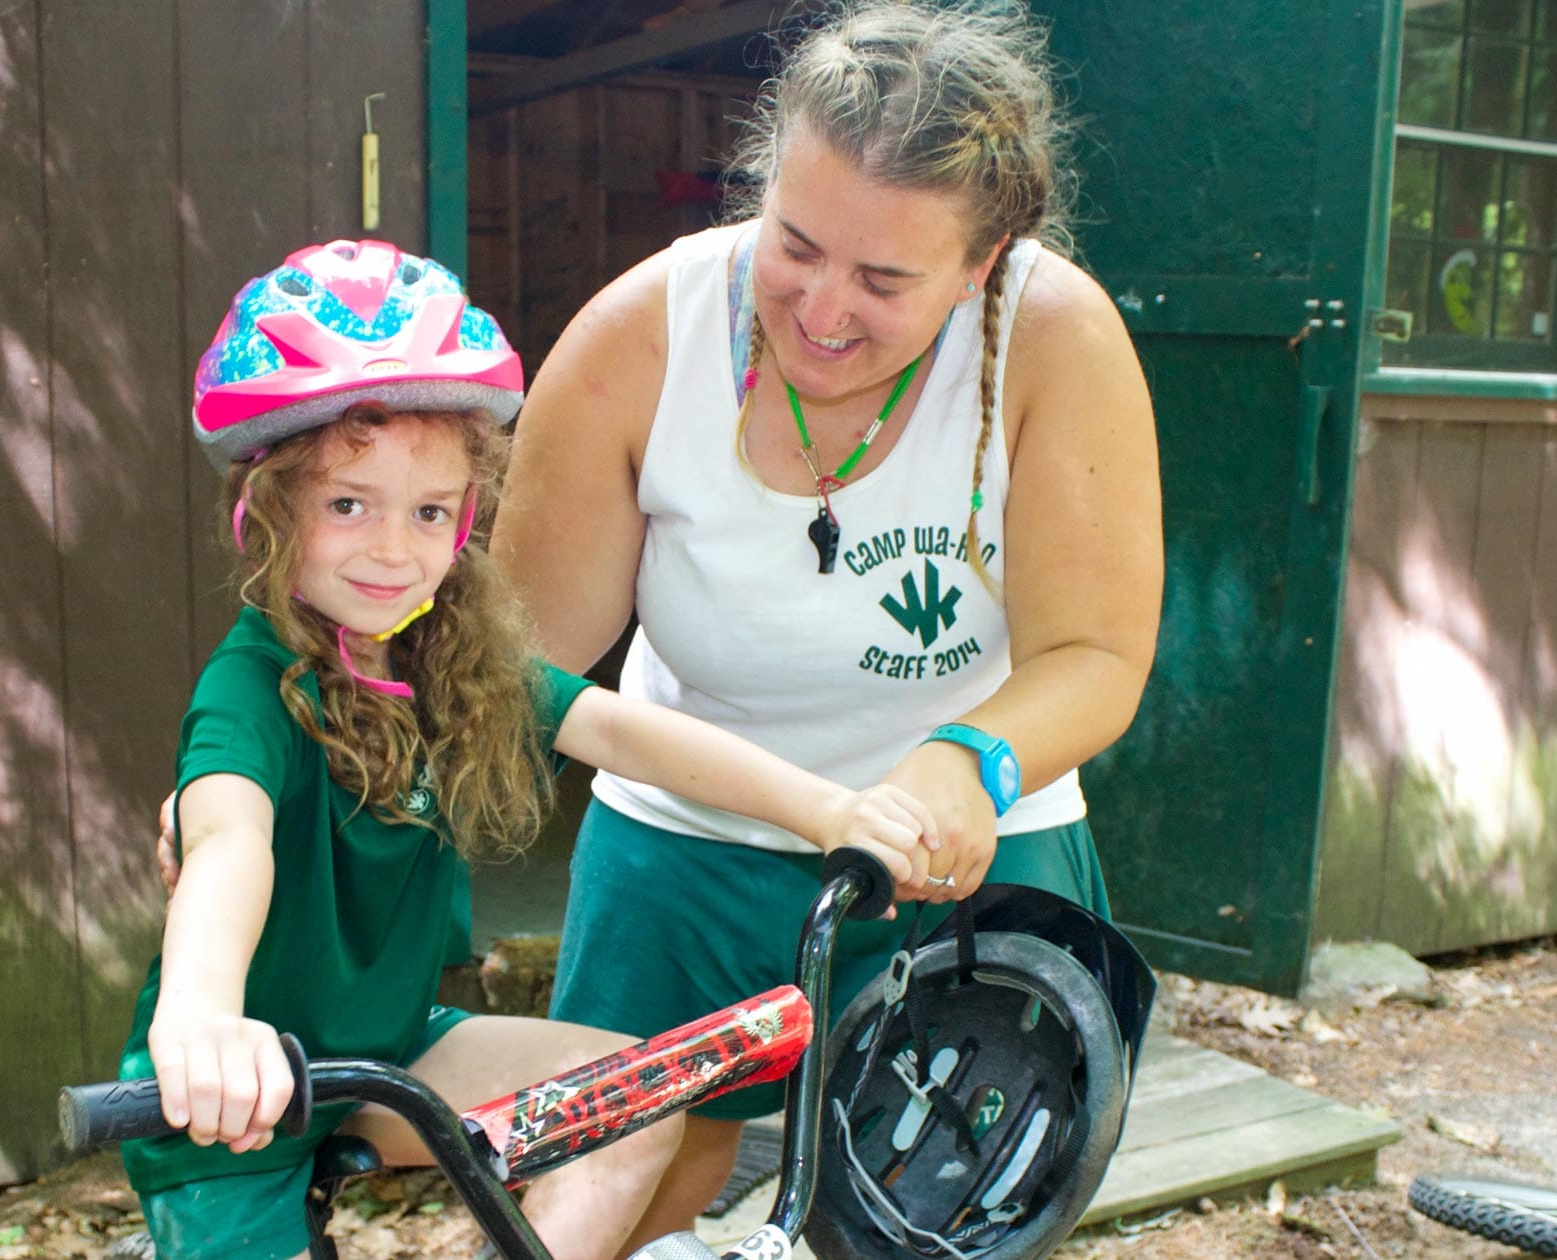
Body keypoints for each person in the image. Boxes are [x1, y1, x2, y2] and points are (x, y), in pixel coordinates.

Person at [486, 3, 1163, 1248]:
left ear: (983, 261)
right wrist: (281, 764)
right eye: (792, 244)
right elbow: (503, 664)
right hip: (681, 858)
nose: (819, 308)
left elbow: (1095, 657)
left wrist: (968, 762)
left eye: (885, 278)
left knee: (933, 1214)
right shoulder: (642, 334)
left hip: (966, 855)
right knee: (616, 1196)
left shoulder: (1055, 340)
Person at [126, 237, 940, 1260]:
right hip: (233, 1096)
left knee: (633, 1100)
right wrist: (202, 1016)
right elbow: (226, 842)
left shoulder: (439, 658)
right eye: (346, 505)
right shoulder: (247, 693)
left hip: (386, 1048)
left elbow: (612, 727)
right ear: (266, 515)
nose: (392, 547)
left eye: (428, 512)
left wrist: (829, 811)